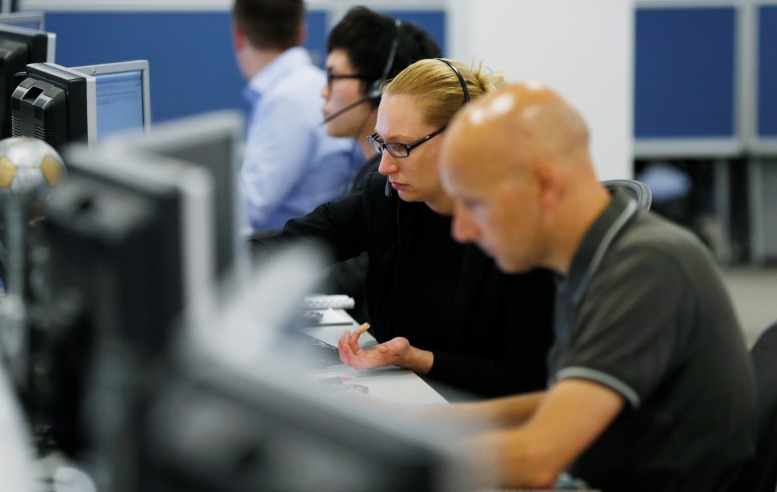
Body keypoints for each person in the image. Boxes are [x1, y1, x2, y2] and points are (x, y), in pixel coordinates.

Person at [437, 82, 757, 490]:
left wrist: (397, 456)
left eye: (475, 204)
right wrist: (435, 420)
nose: (461, 230)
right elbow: (567, 402)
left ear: (545, 185)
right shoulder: (594, 255)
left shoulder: (647, 265)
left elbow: (538, 459)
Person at [253, 59, 555, 399]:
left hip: (482, 418)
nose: (384, 164)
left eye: (401, 146)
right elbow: (291, 244)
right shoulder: (387, 199)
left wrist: (421, 360)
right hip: (412, 399)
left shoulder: (525, 229)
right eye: (381, 142)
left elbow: (527, 381)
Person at [320, 7, 441, 322]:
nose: (323, 91)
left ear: (378, 87)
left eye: (333, 76)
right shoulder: (373, 171)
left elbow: (348, 279)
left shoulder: (390, 183)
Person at [232, 0, 355, 232]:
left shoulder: (286, 99)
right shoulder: (315, 84)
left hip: (295, 255)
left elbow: (250, 209)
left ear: (238, 35)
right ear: (302, 32)